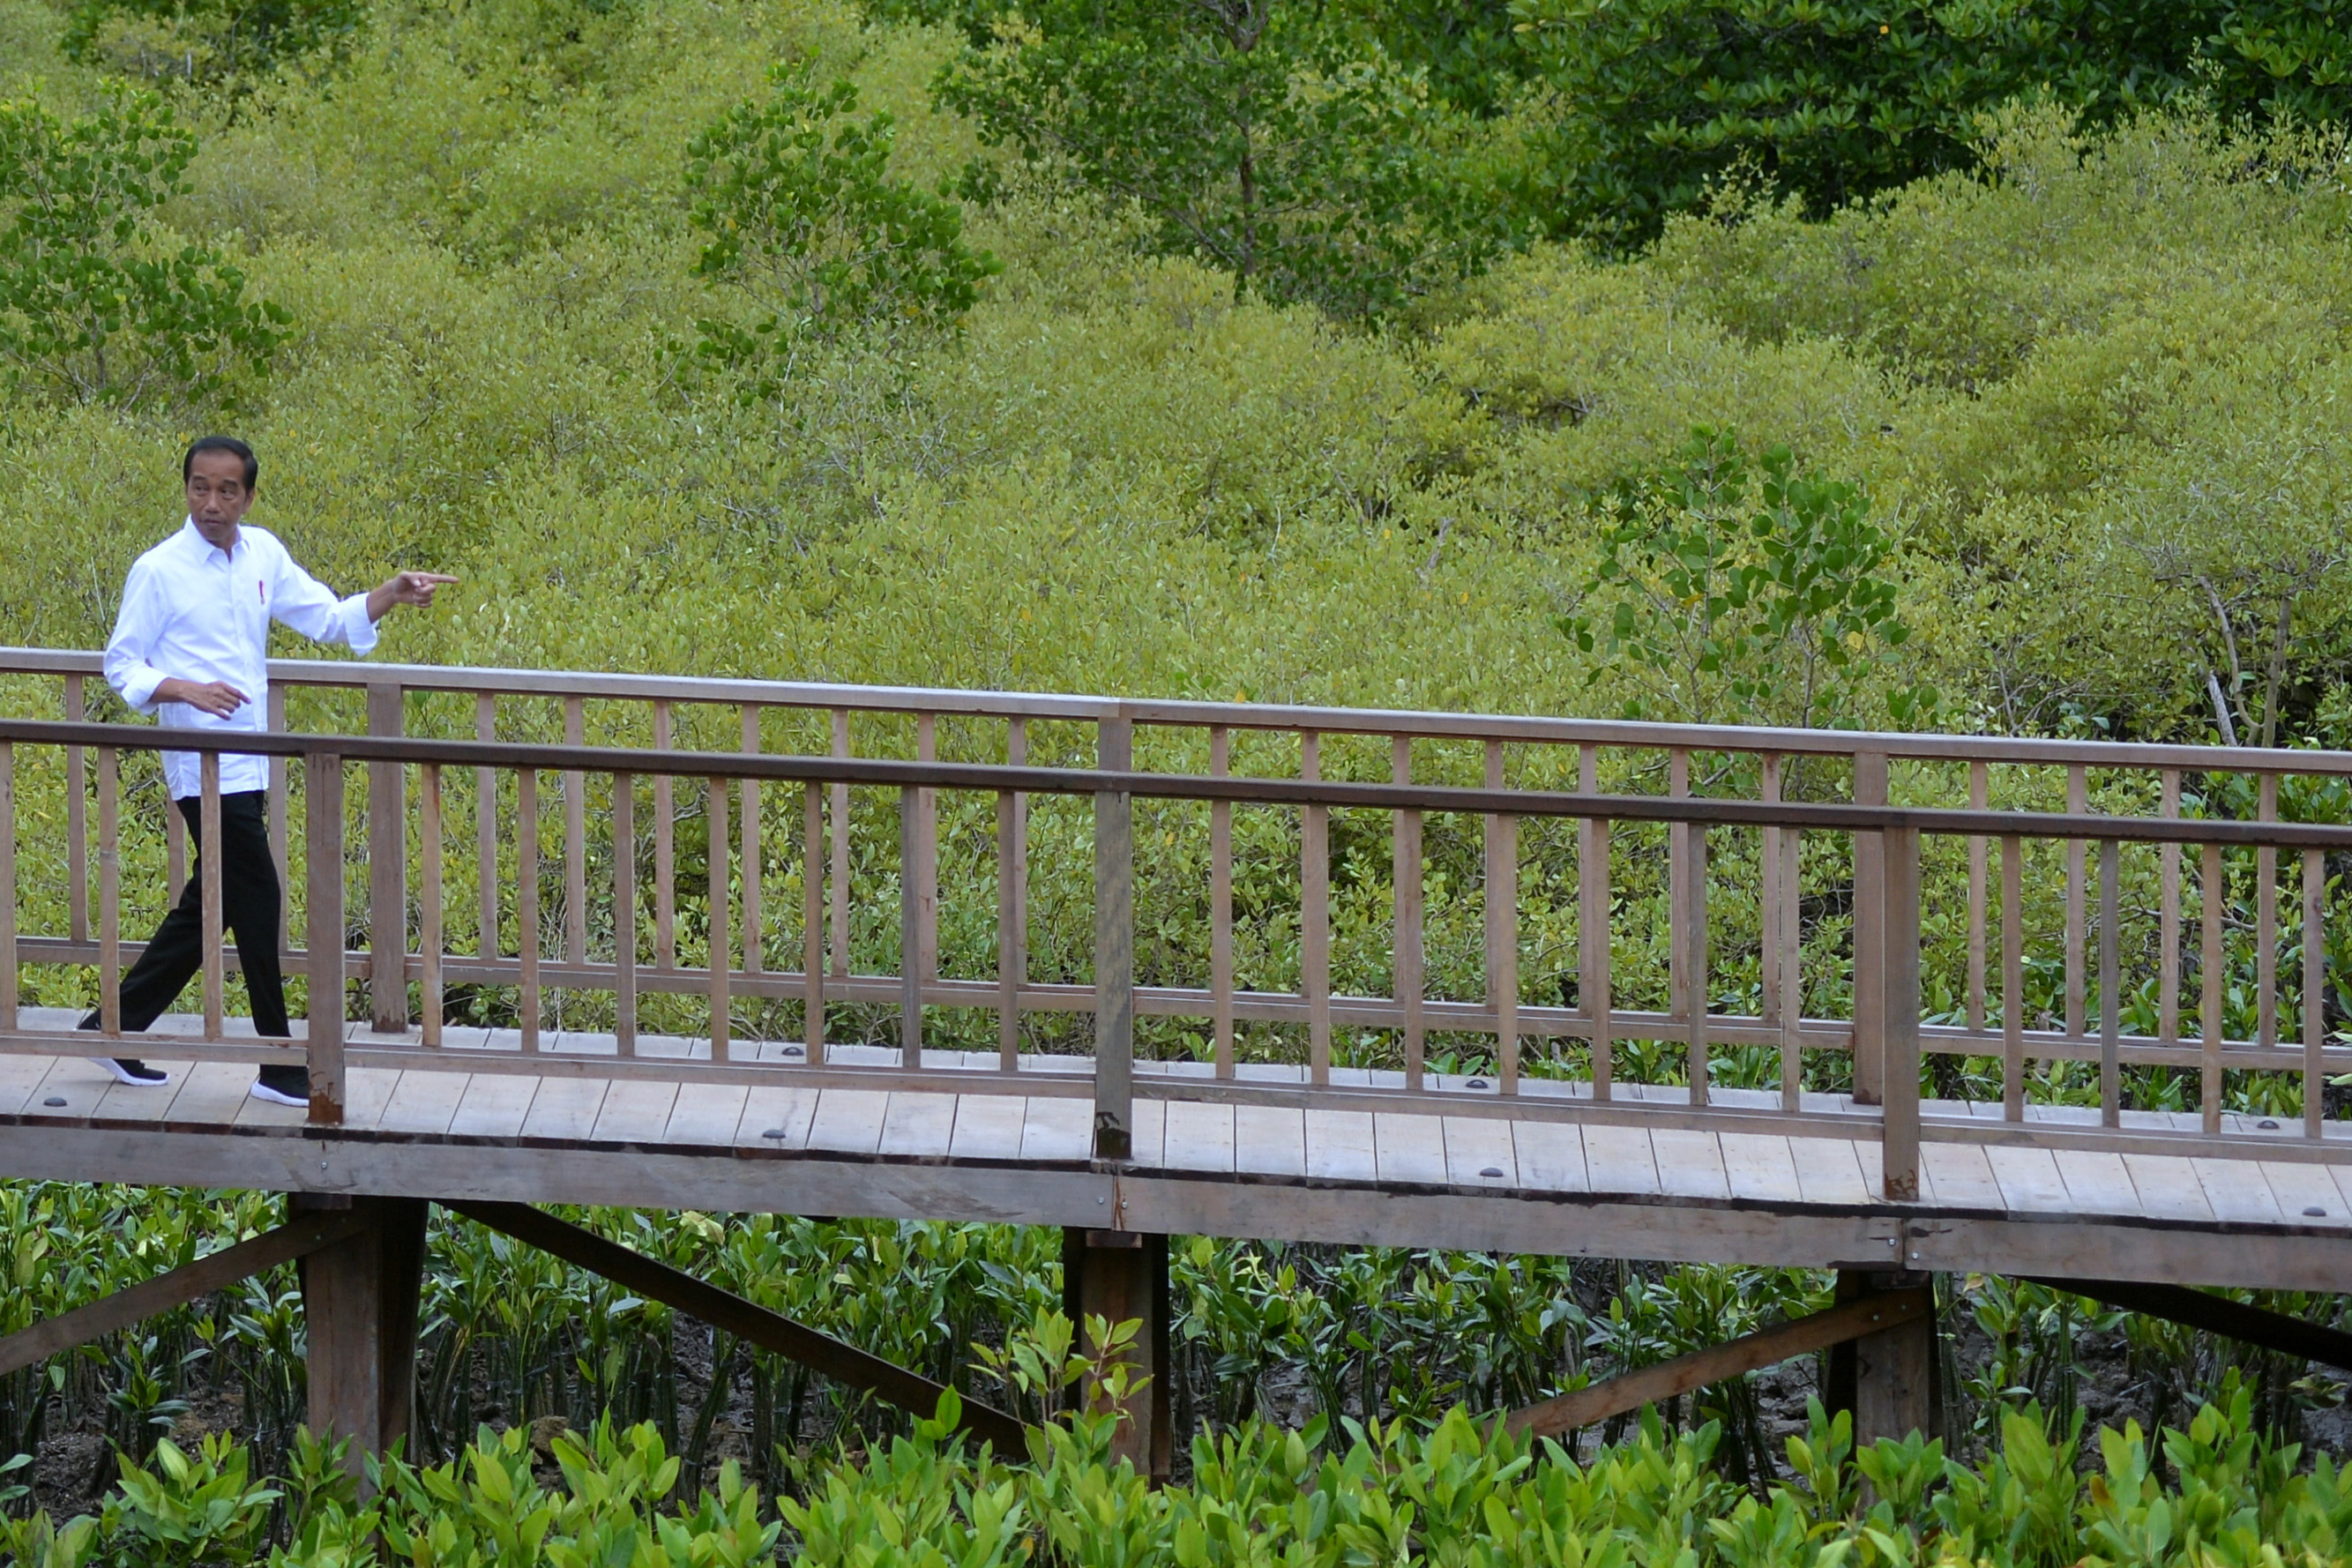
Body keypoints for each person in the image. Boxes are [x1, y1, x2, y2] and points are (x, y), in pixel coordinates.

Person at [83, 436, 458, 1106]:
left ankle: (114, 1026)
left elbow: (329, 619)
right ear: (186, 489)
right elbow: (122, 665)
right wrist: (184, 690)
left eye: (227, 490)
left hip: (251, 758)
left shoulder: (263, 554)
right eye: (200, 487)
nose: (212, 502)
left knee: (215, 903)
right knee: (257, 901)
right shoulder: (159, 570)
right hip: (200, 765)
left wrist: (389, 595)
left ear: (248, 495)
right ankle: (278, 1060)